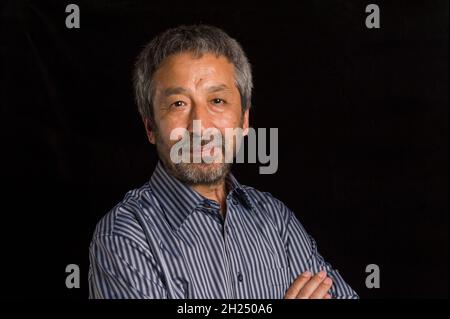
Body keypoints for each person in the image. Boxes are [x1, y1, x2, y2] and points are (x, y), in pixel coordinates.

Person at [88, 24, 358, 299]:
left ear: (243, 121)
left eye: (217, 100)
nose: (200, 126)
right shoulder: (124, 236)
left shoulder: (275, 219)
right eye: (178, 104)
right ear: (150, 127)